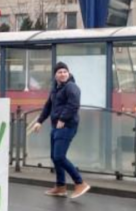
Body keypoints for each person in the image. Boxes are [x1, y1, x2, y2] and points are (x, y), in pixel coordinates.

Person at [31, 62, 91, 199]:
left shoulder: (71, 87)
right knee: (54, 157)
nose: (63, 74)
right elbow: (48, 106)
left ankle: (80, 183)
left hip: (67, 126)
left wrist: (63, 119)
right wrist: (39, 121)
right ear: (55, 75)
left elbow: (74, 105)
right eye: (60, 72)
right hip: (56, 126)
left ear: (68, 73)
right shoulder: (56, 88)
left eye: (65, 71)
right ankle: (60, 187)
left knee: (59, 156)